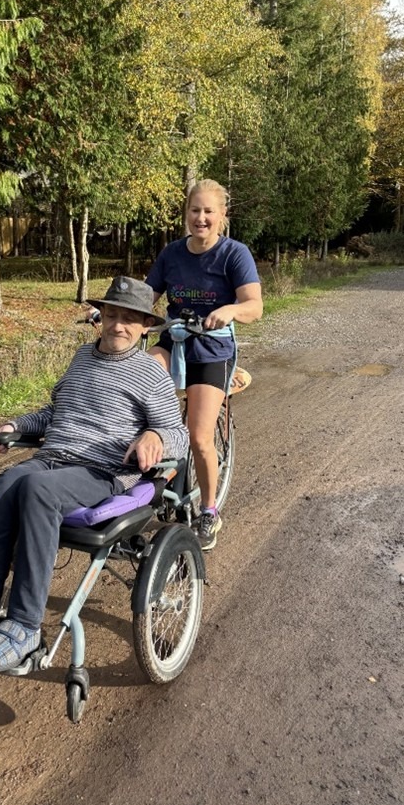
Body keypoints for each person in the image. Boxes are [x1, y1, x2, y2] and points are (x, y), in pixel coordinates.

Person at [0, 276, 189, 674]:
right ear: (100, 318)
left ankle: (24, 625)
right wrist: (17, 425)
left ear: (145, 327)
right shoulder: (82, 358)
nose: (118, 325)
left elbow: (179, 435)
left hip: (102, 470)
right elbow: (55, 413)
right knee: (7, 484)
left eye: (129, 319)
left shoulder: (150, 374)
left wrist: (155, 435)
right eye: (111, 315)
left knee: (37, 489)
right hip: (53, 457)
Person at [145, 179, 262, 550]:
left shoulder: (234, 254)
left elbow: (254, 306)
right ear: (186, 213)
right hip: (175, 339)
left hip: (212, 348)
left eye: (209, 211)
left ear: (222, 215)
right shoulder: (172, 253)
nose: (201, 218)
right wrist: (114, 313)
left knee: (199, 436)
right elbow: (146, 296)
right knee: (140, 380)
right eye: (195, 210)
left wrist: (230, 310)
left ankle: (209, 509)